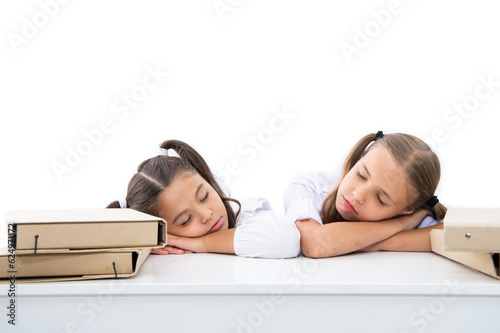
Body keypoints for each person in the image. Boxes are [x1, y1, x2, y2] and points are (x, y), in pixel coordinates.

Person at [107, 139, 300, 259]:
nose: (207, 214)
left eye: (204, 196)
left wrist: (203, 243)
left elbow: (288, 241)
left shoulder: (249, 214)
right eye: (185, 220)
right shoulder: (168, 252)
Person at [284, 131, 447, 258]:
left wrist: (370, 242)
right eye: (361, 175)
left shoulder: (425, 219)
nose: (357, 195)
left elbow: (467, 237)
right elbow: (316, 244)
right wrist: (402, 224)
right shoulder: (309, 187)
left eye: (380, 199)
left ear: (406, 210)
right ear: (360, 159)